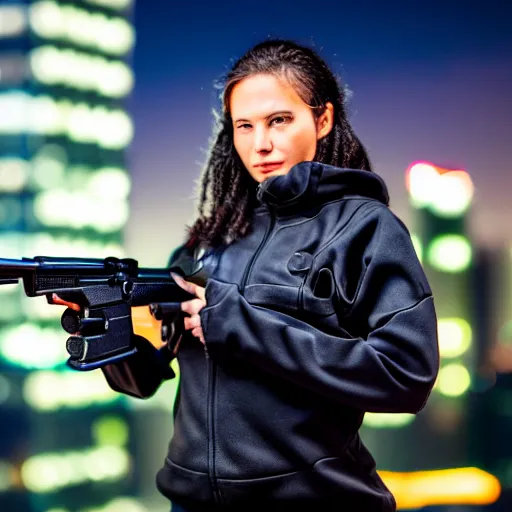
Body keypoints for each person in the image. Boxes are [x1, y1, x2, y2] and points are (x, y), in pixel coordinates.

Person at [66, 39, 440, 511]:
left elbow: (405, 375)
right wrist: (103, 321)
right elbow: (142, 380)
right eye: (244, 126)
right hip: (191, 502)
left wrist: (240, 325)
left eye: (278, 120)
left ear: (321, 120)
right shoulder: (208, 242)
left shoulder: (364, 229)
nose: (260, 143)